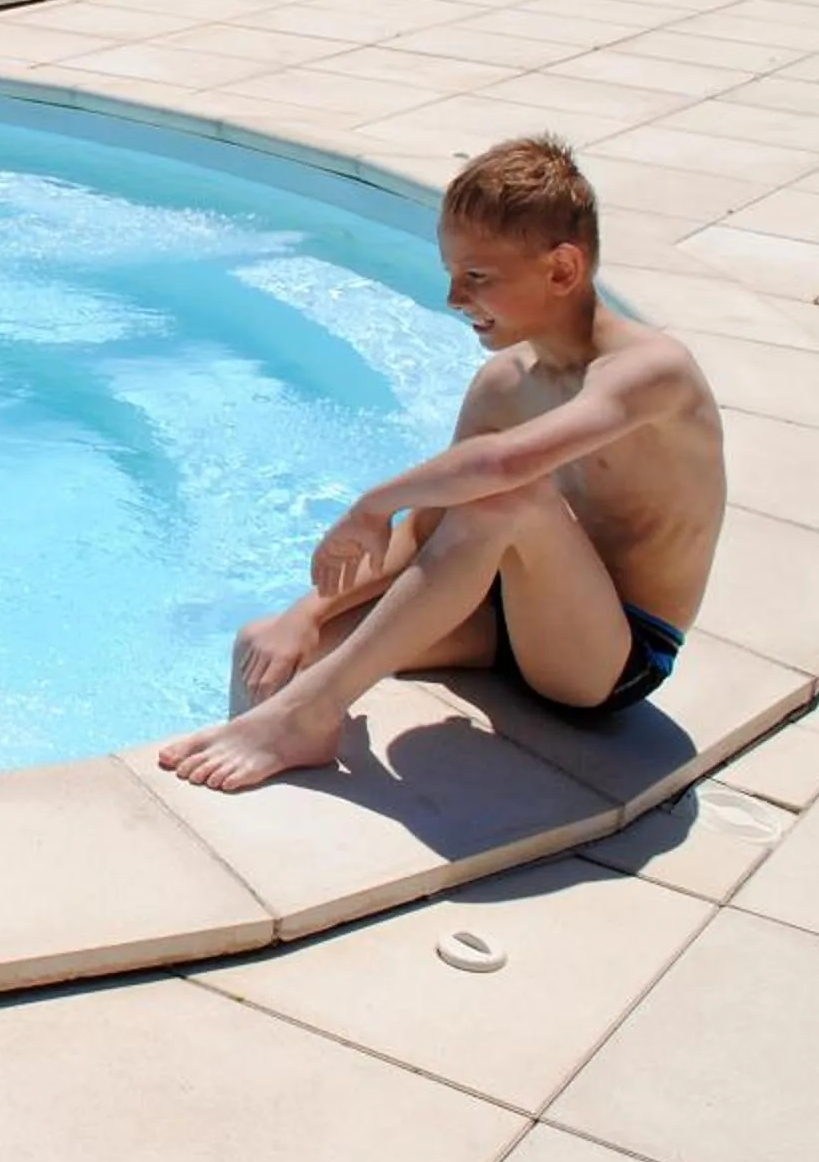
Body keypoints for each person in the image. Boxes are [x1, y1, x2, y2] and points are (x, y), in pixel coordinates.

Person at [158, 135, 725, 793]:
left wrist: (373, 503)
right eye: (453, 273)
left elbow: (502, 468)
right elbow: (431, 527)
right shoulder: (504, 383)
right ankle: (261, 759)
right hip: (501, 619)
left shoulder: (651, 373)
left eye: (478, 277)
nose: (455, 297)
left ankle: (303, 718)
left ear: (563, 270)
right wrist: (306, 613)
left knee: (511, 497)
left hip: (610, 655)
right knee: (270, 646)